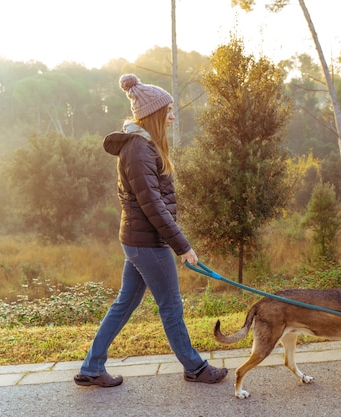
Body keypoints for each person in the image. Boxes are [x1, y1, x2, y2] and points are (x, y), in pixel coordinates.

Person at [74, 74, 228, 387]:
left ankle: (91, 368)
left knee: (124, 304)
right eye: (168, 111)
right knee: (171, 306)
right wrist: (182, 247)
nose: (172, 116)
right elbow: (153, 206)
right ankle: (195, 368)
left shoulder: (143, 147)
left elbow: (154, 204)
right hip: (147, 244)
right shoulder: (139, 150)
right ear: (155, 114)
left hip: (139, 241)